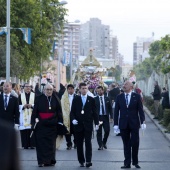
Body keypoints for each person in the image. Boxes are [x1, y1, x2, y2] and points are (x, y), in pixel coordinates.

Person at [114, 81, 146, 169]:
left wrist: (143, 121)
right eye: (123, 84)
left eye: (126, 84)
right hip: (123, 124)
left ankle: (135, 161)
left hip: (134, 123)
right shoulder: (119, 97)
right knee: (126, 144)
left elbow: (140, 110)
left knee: (135, 142)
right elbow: (116, 111)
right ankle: (127, 163)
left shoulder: (137, 96)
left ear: (131, 86)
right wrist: (115, 124)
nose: (124, 86)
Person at [31, 84, 63, 167]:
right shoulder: (39, 98)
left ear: (53, 90)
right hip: (41, 125)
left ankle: (50, 160)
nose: (49, 91)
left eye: (50, 90)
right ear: (44, 90)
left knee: (51, 144)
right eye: (47, 89)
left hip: (52, 124)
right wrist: (33, 121)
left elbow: (59, 111)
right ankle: (41, 161)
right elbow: (35, 111)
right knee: (41, 144)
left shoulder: (56, 99)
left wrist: (60, 122)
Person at [70, 82, 99, 168]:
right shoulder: (76, 99)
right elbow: (72, 112)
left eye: (86, 88)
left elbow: (95, 112)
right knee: (79, 144)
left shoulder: (91, 99)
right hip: (78, 125)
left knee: (88, 143)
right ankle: (81, 160)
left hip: (88, 124)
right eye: (82, 88)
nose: (84, 90)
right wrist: (73, 119)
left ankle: (88, 160)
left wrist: (97, 123)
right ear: (79, 89)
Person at [94, 86, 112, 150]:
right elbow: (93, 109)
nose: (99, 92)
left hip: (105, 117)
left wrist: (111, 117)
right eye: (98, 91)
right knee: (99, 132)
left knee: (107, 131)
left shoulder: (107, 98)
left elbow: (110, 108)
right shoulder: (95, 99)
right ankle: (100, 145)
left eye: (100, 90)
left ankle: (104, 142)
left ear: (103, 91)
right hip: (98, 117)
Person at [18, 83, 35, 149]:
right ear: (23, 88)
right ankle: (25, 145)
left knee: (32, 129)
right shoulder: (20, 96)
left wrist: (32, 105)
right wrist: (23, 106)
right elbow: (17, 105)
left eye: (29, 87)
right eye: (26, 87)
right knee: (24, 130)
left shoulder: (34, 95)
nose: (28, 88)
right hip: (23, 115)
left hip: (32, 114)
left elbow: (37, 104)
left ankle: (32, 144)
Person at [61, 84, 77, 150]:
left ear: (74, 89)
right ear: (67, 90)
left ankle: (76, 143)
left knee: (75, 130)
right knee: (67, 131)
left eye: (72, 89)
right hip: (66, 115)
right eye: (69, 89)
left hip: (75, 116)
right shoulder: (64, 97)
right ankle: (69, 144)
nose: (70, 90)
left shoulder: (77, 97)